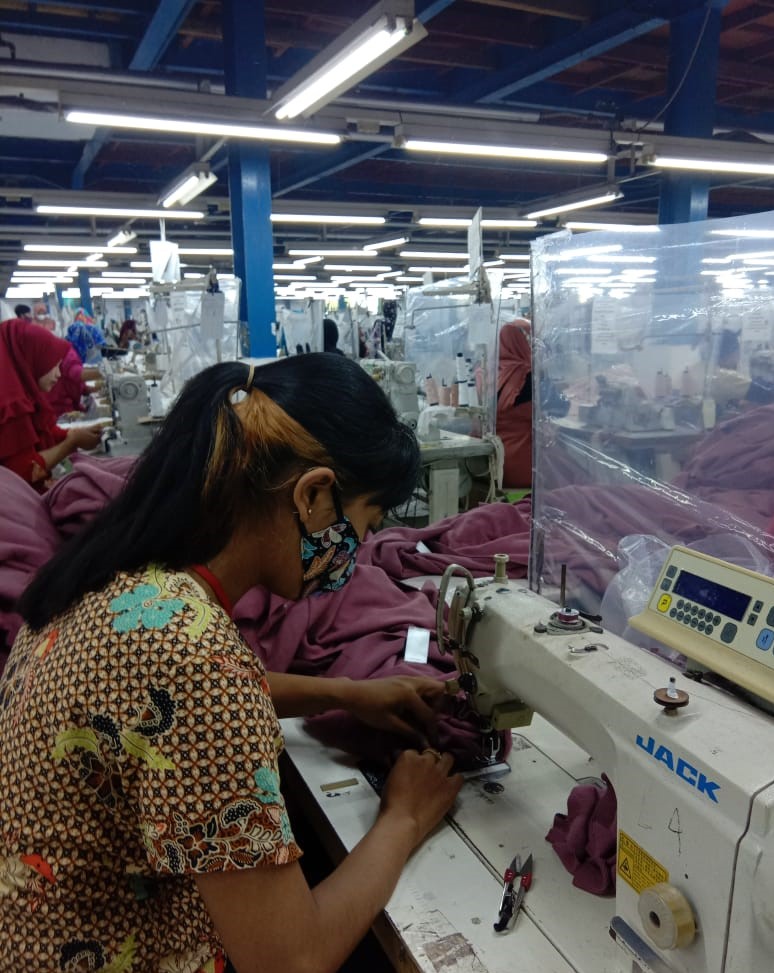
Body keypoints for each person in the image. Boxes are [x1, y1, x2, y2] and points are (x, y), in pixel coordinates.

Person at [0, 354, 462, 973]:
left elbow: (158, 711)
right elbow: (291, 961)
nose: (357, 554)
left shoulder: (121, 583)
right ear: (314, 496)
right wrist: (405, 816)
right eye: (366, 523)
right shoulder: (196, 659)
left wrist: (349, 694)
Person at [0, 318, 104, 491]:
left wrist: (74, 433)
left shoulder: (28, 395)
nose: (58, 374)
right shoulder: (10, 405)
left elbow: (44, 430)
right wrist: (71, 443)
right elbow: (26, 472)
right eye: (54, 366)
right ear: (31, 361)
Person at [496, 318, 534, 489]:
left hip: (491, 462)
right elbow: (560, 410)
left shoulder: (488, 373)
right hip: (524, 464)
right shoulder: (529, 377)